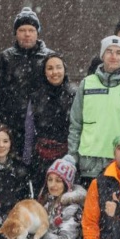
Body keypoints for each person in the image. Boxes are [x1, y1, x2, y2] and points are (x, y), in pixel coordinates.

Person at [68, 36, 120, 186]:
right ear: (102, 55)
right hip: (88, 165)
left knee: (116, 209)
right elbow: (76, 124)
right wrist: (72, 157)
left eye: (119, 53)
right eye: (109, 52)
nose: (114, 56)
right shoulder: (87, 84)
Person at [0, 7, 55, 153]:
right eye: (22, 30)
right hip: (12, 126)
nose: (27, 34)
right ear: (16, 33)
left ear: (37, 33)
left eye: (31, 30)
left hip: (43, 126)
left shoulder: (49, 57)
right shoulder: (5, 58)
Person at [24, 53, 75, 188]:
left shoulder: (74, 95)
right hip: (41, 158)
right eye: (50, 68)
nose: (55, 72)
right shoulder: (36, 97)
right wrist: (27, 159)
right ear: (44, 72)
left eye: (58, 67)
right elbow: (29, 130)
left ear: (64, 70)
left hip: (66, 156)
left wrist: (74, 157)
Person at [0, 123, 33, 218]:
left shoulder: (20, 169)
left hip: (17, 219)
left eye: (5, 141)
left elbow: (28, 200)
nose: (1, 145)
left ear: (10, 143)